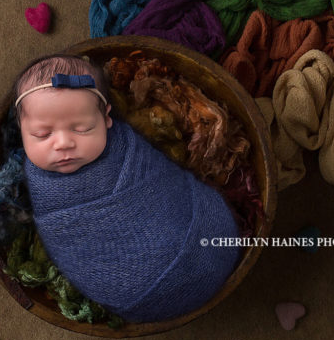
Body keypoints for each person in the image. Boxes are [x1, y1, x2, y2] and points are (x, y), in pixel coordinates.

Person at [12, 53, 240, 323]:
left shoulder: (125, 145)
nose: (62, 143)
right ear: (21, 129)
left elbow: (166, 184)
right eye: (42, 134)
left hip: (200, 231)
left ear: (107, 119)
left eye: (82, 128)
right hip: (138, 292)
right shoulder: (42, 184)